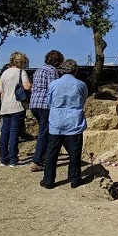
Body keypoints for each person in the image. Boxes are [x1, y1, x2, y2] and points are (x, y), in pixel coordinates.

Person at [41, 59, 89, 189]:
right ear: (75, 70)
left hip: (56, 121)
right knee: (74, 151)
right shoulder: (80, 85)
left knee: (52, 152)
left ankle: (48, 180)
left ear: (62, 70)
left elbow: (49, 101)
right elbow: (84, 99)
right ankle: (75, 178)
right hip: (74, 121)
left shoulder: (54, 84)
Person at [28, 50, 64, 173]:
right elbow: (53, 88)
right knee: (44, 133)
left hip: (34, 103)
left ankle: (42, 157)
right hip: (44, 105)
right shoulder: (52, 71)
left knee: (43, 131)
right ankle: (37, 160)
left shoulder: (39, 70)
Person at [0, 51, 32, 167]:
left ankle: (3, 159)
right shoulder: (20, 72)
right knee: (14, 133)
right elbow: (27, 86)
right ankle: (13, 159)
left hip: (5, 105)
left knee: (5, 133)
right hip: (17, 106)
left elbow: (1, 91)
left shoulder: (4, 73)